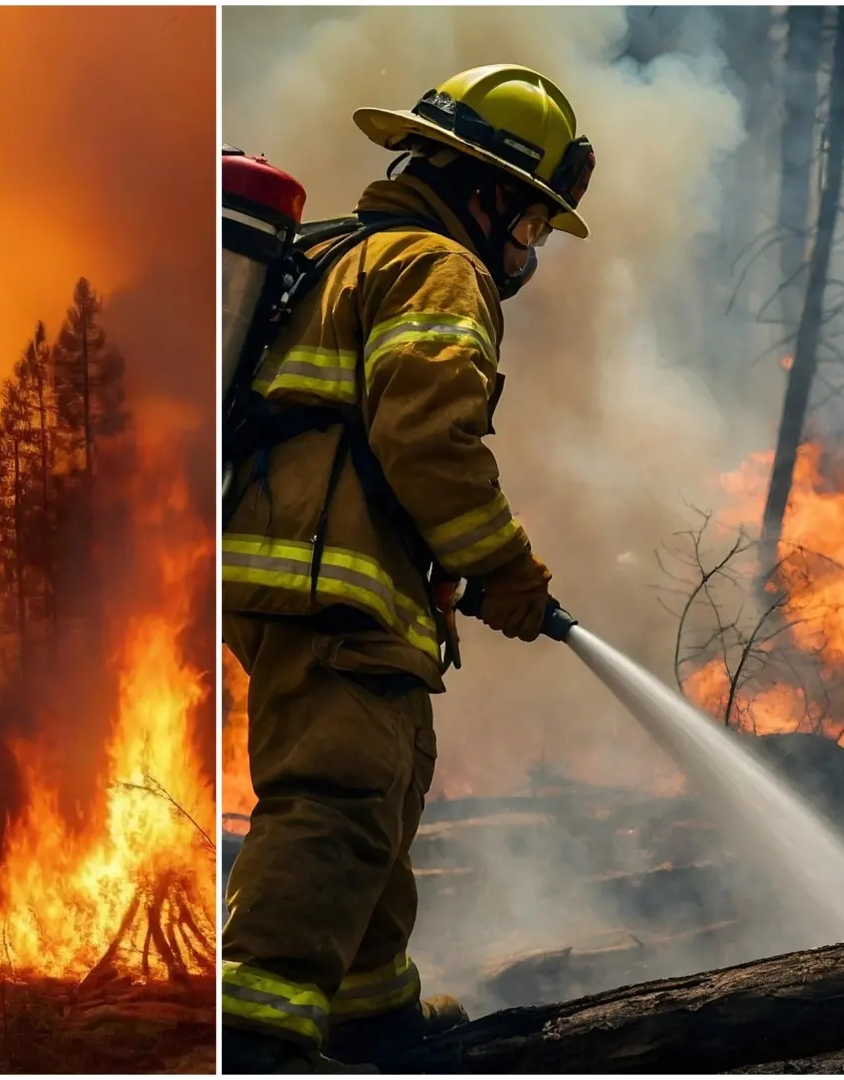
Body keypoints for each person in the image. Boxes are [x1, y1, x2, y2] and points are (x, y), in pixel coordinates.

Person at [220, 64, 593, 1071]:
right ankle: (256, 1035)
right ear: (490, 192)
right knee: (337, 804)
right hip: (330, 577)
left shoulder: (337, 251)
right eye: (532, 223)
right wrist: (504, 568)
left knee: (377, 797)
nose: (529, 249)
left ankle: (369, 1019)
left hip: (295, 571)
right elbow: (428, 437)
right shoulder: (437, 266)